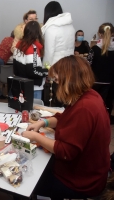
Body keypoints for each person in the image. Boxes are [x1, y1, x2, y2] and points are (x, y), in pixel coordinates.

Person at [22, 55, 110, 199]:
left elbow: (65, 151)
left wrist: (36, 136)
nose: (54, 84)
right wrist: (42, 123)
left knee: (24, 181)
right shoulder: (89, 95)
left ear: (69, 80)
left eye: (56, 80)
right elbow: (65, 117)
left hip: (82, 181)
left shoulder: (85, 108)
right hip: (89, 171)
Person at [41, 1, 75, 106]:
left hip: (56, 68)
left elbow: (49, 52)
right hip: (69, 66)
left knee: (55, 98)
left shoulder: (51, 28)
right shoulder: (70, 27)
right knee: (66, 96)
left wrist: (46, 69)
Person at [13, 21, 48, 100]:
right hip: (33, 87)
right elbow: (33, 71)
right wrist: (47, 72)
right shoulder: (33, 48)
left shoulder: (19, 45)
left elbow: (15, 67)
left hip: (21, 84)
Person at [87, 23, 114, 118]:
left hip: (95, 82)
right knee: (107, 104)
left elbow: (88, 65)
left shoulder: (94, 49)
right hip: (110, 83)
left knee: (94, 103)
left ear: (99, 34)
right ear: (112, 33)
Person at [0, 31, 14, 99]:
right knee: (12, 77)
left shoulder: (6, 38)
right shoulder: (14, 42)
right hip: (1, 59)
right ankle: (10, 95)